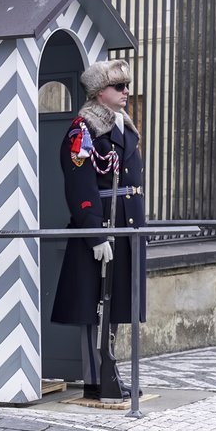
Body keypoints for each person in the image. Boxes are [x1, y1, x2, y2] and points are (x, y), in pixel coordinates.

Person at [51, 59, 146, 401]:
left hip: (125, 229)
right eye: (118, 87)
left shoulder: (123, 126)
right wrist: (95, 234)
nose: (126, 92)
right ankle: (96, 379)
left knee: (116, 304)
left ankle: (111, 372)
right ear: (98, 92)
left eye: (126, 86)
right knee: (96, 307)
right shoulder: (83, 131)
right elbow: (80, 186)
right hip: (103, 229)